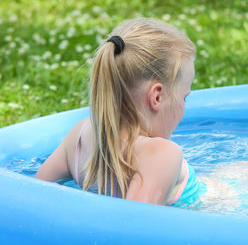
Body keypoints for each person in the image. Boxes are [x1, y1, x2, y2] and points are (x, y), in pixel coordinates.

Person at [35, 18, 206, 206]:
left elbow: (32, 194)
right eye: (184, 98)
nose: (183, 108)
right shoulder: (161, 154)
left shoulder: (80, 136)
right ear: (157, 97)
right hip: (218, 203)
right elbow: (135, 228)